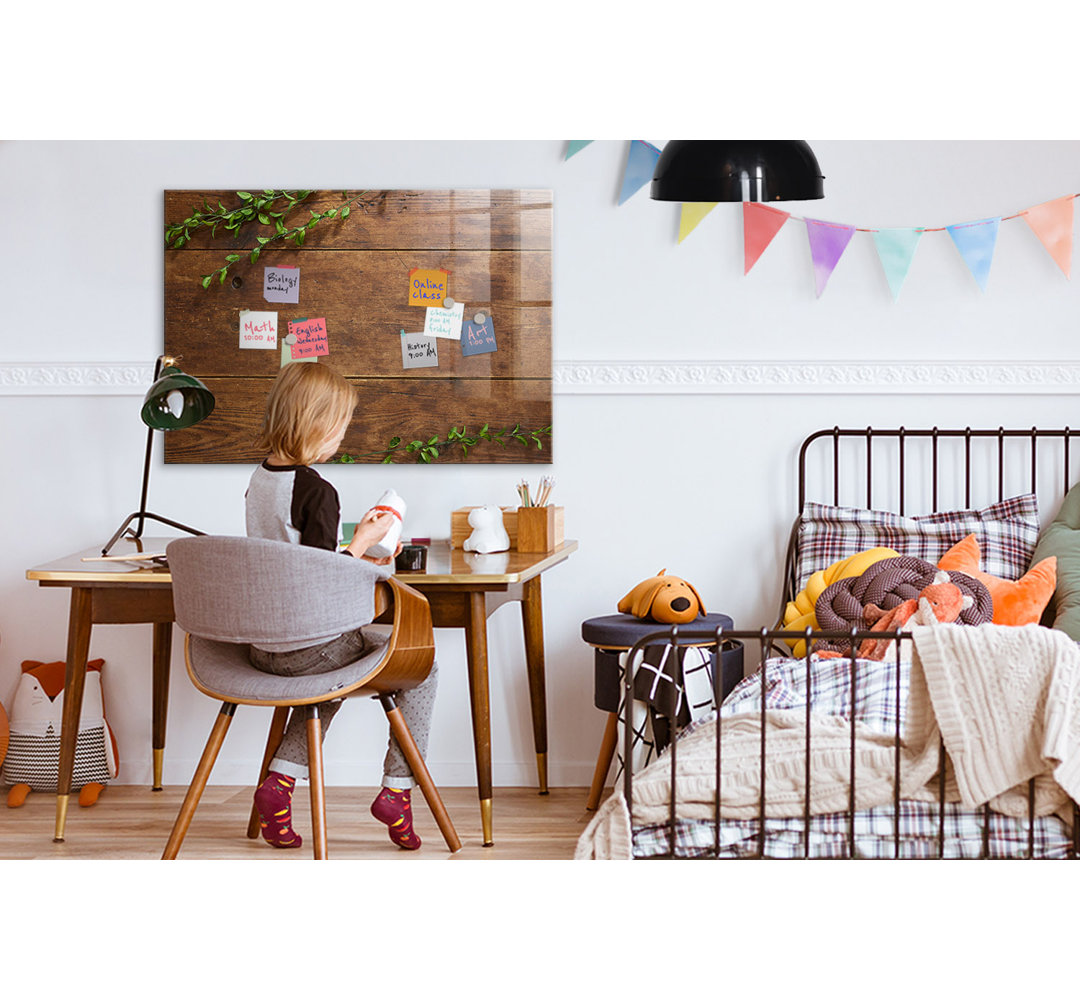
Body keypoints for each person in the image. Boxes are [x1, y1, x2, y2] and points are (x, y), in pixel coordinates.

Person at [243, 361, 437, 850]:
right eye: (341, 426)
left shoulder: (260, 480)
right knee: (421, 664)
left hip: (264, 646)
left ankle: (280, 785)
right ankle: (398, 790)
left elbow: (293, 555)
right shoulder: (317, 490)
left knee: (331, 672)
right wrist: (365, 542)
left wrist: (352, 543)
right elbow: (320, 578)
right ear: (316, 424)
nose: (341, 438)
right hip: (308, 646)